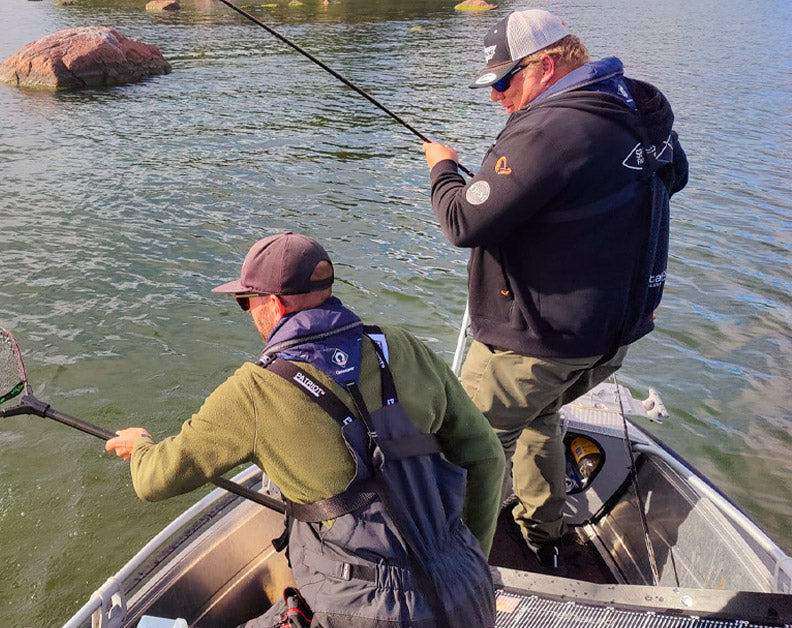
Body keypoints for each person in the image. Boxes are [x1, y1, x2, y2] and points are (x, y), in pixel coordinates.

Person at [105, 232, 503, 627]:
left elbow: (154, 480)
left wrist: (140, 445)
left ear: (274, 306)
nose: (247, 312)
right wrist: (466, 555)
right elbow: (486, 455)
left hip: (363, 612)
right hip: (468, 586)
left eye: (247, 301)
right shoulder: (401, 345)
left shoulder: (254, 391)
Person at [420, 9, 689, 568]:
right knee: (539, 416)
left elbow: (462, 223)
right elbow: (672, 178)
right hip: (610, 336)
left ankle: (454, 561)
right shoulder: (638, 107)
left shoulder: (550, 127)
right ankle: (544, 532)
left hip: (537, 341)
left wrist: (443, 168)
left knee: (463, 442)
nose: (497, 97)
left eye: (503, 80)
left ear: (544, 65)